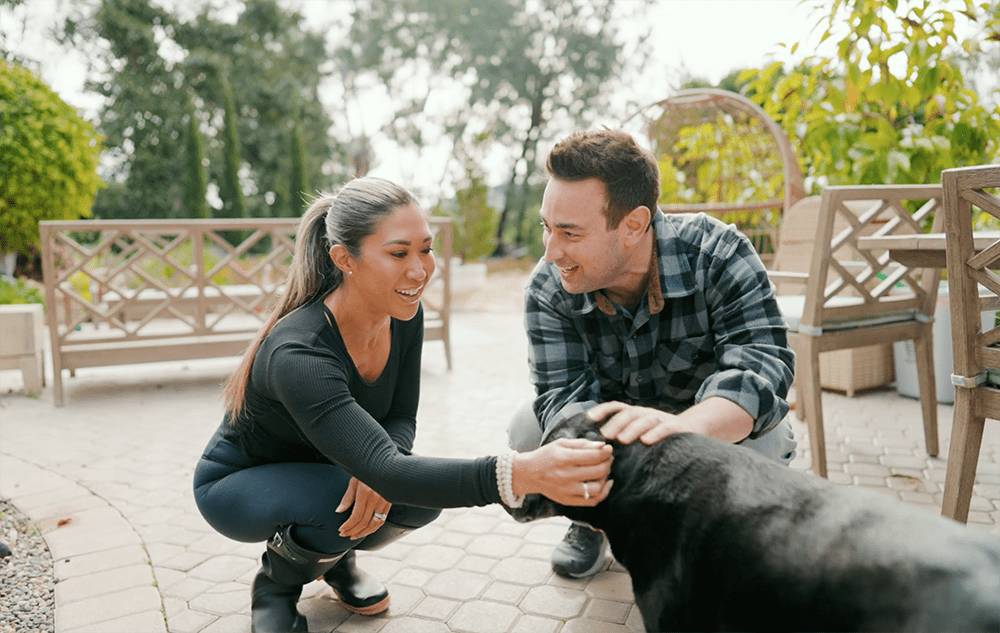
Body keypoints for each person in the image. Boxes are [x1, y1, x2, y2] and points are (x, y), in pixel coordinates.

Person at [193, 177, 614, 633]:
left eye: (426, 249)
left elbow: (400, 417)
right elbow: (387, 466)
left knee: (415, 502)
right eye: (399, 253)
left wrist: (379, 466)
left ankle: (335, 562)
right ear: (343, 259)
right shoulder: (299, 353)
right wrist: (524, 472)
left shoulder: (403, 315)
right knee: (359, 493)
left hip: (332, 464)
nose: (420, 270)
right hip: (238, 484)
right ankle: (275, 586)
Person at [508, 128, 797, 579]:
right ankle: (593, 523)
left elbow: (761, 366)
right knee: (528, 429)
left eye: (569, 233)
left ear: (634, 225)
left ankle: (708, 527)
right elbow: (563, 400)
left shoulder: (718, 253)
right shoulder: (549, 287)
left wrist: (683, 431)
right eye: (548, 228)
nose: (551, 252)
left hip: (699, 423)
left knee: (768, 441)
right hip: (613, 433)